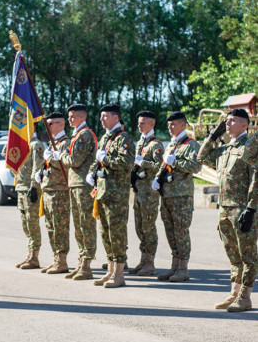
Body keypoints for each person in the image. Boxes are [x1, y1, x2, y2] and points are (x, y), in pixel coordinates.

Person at [197, 108, 257, 312]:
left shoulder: (249, 146)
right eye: (226, 121)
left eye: (232, 121)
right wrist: (213, 136)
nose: (227, 124)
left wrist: (251, 208)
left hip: (242, 209)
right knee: (233, 253)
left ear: (244, 125)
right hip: (224, 208)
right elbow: (202, 157)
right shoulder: (224, 150)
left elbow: (256, 179)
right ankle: (234, 292)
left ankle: (246, 297)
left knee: (247, 254)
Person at [46, 103, 97, 280]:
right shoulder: (77, 135)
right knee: (79, 226)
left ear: (82, 117)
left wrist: (60, 156)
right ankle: (82, 261)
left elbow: (74, 160)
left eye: (72, 116)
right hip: (75, 184)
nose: (69, 120)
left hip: (83, 185)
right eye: (69, 117)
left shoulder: (84, 135)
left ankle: (87, 264)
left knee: (86, 225)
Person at [86, 104, 135, 288]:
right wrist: (92, 172)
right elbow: (98, 161)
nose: (101, 119)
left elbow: (126, 161)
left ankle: (119, 273)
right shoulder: (107, 138)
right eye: (101, 116)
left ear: (116, 118)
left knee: (117, 234)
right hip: (103, 191)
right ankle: (111, 271)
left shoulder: (123, 138)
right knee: (105, 233)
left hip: (117, 194)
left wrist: (105, 159)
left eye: (105, 116)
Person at [152, 111, 201, 282]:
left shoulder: (191, 144)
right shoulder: (172, 145)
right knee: (170, 230)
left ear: (183, 125)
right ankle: (174, 266)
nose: (170, 127)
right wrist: (156, 179)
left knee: (181, 230)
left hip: (181, 195)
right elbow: (165, 164)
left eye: (173, 124)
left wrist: (176, 162)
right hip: (167, 194)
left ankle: (183, 268)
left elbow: (195, 166)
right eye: (169, 125)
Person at [129, 111, 164, 276]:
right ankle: (143, 260)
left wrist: (143, 163)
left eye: (143, 122)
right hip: (139, 192)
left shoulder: (155, 145)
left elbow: (160, 167)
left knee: (148, 227)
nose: (139, 125)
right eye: (138, 122)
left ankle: (150, 262)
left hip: (149, 193)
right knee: (140, 228)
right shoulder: (141, 143)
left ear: (152, 124)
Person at [36, 112, 71, 274]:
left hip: (60, 190)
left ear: (61, 124)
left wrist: (53, 159)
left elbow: (68, 166)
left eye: (51, 124)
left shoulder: (65, 143)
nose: (48, 127)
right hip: (49, 189)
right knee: (51, 226)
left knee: (60, 227)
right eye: (47, 124)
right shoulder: (52, 143)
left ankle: (62, 260)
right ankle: (56, 257)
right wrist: (41, 172)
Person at [15, 130, 45, 269]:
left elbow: (38, 166)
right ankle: (29, 254)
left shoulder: (35, 145)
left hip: (30, 188)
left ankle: (34, 257)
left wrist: (34, 185)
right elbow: (6, 154)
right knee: (25, 223)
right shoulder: (20, 143)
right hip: (20, 187)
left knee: (32, 222)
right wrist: (12, 137)